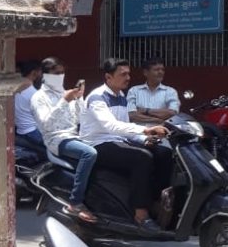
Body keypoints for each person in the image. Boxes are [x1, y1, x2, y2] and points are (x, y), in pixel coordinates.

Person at [80, 57, 171, 230]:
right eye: (123, 74)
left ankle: (157, 202)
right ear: (108, 77)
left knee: (163, 153)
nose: (128, 77)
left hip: (118, 140)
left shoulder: (121, 96)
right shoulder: (97, 98)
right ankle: (141, 214)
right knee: (141, 158)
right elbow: (112, 126)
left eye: (128, 73)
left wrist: (145, 138)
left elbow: (125, 130)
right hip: (98, 143)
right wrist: (145, 130)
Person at [30, 57, 98, 223]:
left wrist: (79, 98)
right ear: (45, 75)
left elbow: (79, 118)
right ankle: (75, 203)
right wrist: (64, 101)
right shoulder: (39, 97)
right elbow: (47, 124)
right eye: (56, 73)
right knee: (89, 154)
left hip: (75, 136)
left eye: (62, 72)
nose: (60, 76)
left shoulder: (65, 92)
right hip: (56, 140)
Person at [127, 57, 180, 125]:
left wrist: (145, 111)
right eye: (156, 70)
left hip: (163, 133)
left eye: (162, 70)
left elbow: (172, 113)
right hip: (138, 133)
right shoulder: (134, 91)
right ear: (145, 72)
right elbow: (131, 115)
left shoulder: (170, 92)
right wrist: (158, 120)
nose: (160, 72)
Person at [14, 59, 45, 156]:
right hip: (33, 132)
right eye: (41, 73)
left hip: (21, 131)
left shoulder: (14, 90)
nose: (42, 76)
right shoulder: (34, 94)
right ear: (34, 73)